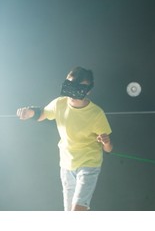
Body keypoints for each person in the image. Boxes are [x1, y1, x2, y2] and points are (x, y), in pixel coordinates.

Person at [16, 66, 112, 211]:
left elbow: (109, 149)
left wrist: (106, 142)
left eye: (80, 88)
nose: (73, 92)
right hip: (67, 165)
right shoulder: (59, 104)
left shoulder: (96, 114)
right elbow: (42, 114)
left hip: (88, 165)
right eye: (70, 85)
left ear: (88, 90)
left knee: (78, 210)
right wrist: (29, 112)